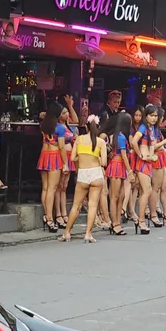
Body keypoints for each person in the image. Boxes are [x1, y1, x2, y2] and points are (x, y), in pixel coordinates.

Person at [60, 115, 107, 243]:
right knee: (93, 205)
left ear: (86, 127)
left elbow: (72, 158)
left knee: (76, 205)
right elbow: (104, 162)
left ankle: (67, 233)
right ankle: (88, 234)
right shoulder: (101, 142)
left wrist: (82, 156)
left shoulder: (79, 139)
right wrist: (95, 157)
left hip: (83, 174)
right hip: (96, 173)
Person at [37, 102, 67, 233]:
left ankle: (46, 215)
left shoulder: (43, 125)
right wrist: (65, 163)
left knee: (45, 188)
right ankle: (49, 218)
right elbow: (62, 147)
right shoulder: (60, 128)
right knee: (52, 189)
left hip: (44, 155)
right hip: (54, 157)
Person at [131, 104, 158, 235]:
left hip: (149, 162)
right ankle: (141, 220)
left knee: (146, 191)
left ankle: (141, 220)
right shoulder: (143, 127)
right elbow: (134, 141)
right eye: (151, 115)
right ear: (146, 116)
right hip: (143, 163)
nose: (154, 118)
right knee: (146, 191)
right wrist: (140, 154)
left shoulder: (151, 128)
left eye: (156, 116)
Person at [106, 112, 135, 236]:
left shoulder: (116, 135)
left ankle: (117, 221)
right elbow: (124, 155)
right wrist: (130, 171)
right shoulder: (121, 137)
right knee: (115, 196)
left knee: (121, 196)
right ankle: (115, 223)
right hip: (118, 165)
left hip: (118, 165)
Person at [150, 108, 166, 227]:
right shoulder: (151, 130)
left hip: (162, 158)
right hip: (155, 159)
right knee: (155, 187)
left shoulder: (157, 130)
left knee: (165, 186)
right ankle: (153, 214)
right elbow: (153, 146)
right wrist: (165, 142)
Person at [55, 101, 79, 229]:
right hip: (62, 156)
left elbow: (77, 121)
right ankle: (58, 213)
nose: (66, 114)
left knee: (64, 186)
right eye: (64, 113)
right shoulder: (58, 127)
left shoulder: (68, 126)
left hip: (70, 157)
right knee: (58, 186)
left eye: (67, 112)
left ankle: (64, 212)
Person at [123, 105, 144, 222]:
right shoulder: (131, 127)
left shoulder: (143, 127)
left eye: (140, 115)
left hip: (139, 155)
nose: (138, 117)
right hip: (133, 155)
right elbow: (131, 142)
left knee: (136, 184)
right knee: (130, 183)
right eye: (136, 115)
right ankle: (128, 210)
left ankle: (131, 209)